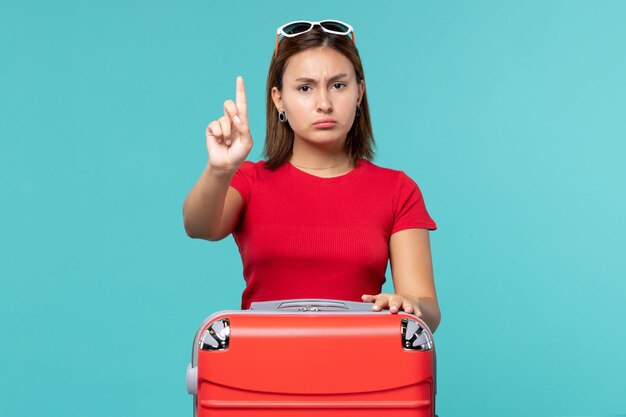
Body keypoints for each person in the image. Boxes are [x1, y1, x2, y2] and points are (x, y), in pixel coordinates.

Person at [183, 20, 441, 332]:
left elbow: (426, 305)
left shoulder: (398, 189)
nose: (324, 104)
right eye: (305, 88)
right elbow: (198, 226)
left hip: (366, 370)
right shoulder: (250, 180)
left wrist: (409, 306)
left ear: (359, 93)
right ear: (279, 99)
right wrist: (219, 169)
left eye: (338, 85)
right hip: (260, 369)